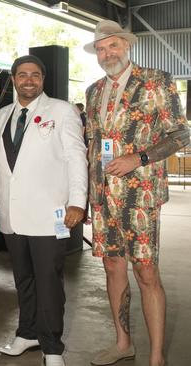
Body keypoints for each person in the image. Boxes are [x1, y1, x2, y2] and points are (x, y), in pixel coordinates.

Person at [83, 20, 190, 366]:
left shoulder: (157, 80)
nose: (106, 53)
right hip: (104, 198)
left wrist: (138, 158)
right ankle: (122, 343)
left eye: (112, 46)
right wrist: (88, 193)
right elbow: (92, 145)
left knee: (146, 272)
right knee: (113, 267)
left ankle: (156, 357)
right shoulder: (94, 91)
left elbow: (180, 135)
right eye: (100, 48)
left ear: (126, 46)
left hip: (140, 193)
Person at [0, 55, 87, 366]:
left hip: (50, 213)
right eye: (22, 74)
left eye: (35, 75)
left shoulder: (61, 111)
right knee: (23, 278)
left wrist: (77, 201)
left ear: (43, 79)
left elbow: (76, 158)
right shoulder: (2, 115)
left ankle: (52, 346)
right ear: (13, 79)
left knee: (49, 280)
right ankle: (27, 333)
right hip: (13, 215)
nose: (29, 80)